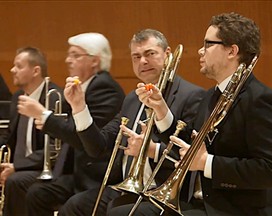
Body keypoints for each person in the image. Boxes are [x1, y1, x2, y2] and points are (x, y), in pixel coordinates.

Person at [132, 12, 272, 216]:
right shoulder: (212, 95)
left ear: (232, 51)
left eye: (208, 44)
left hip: (235, 210)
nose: (200, 51)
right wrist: (161, 109)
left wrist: (207, 164)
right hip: (200, 203)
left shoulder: (260, 99)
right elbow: (193, 144)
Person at [61, 28, 205, 215]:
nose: (142, 61)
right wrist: (79, 107)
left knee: (117, 212)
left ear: (167, 54)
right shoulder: (132, 99)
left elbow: (189, 156)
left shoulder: (192, 95)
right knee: (74, 206)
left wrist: (151, 150)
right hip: (129, 188)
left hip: (163, 192)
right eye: (136, 57)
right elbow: (97, 147)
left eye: (150, 54)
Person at [18, 32, 125, 216]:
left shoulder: (105, 88)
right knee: (37, 193)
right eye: (69, 55)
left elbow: (85, 138)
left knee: (62, 201)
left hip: (96, 176)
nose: (68, 60)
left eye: (75, 55)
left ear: (94, 60)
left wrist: (43, 115)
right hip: (76, 172)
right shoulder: (82, 86)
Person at [0, 47, 63, 216]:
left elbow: (54, 148)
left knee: (14, 181)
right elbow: (8, 136)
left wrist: (16, 167)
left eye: (19, 66)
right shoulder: (18, 96)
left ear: (36, 70)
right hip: (18, 166)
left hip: (42, 168)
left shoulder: (55, 97)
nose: (13, 70)